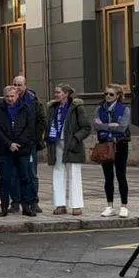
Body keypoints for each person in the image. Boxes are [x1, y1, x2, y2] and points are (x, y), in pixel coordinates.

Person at [0, 85, 37, 217]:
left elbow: (30, 128)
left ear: (17, 96)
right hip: (6, 150)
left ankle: (26, 206)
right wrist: (9, 143)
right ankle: (4, 207)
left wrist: (19, 143)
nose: (10, 99)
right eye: (7, 96)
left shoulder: (26, 109)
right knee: (5, 179)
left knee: (25, 178)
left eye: (12, 96)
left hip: (22, 149)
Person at [46, 83, 90, 215]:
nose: (55, 95)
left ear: (66, 93)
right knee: (58, 173)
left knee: (74, 174)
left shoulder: (76, 107)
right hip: (56, 143)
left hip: (72, 145)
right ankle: (60, 204)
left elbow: (86, 127)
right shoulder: (53, 108)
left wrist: (76, 139)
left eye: (58, 92)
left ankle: (76, 205)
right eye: (55, 92)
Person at [93, 84, 130, 218]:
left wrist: (104, 126)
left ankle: (124, 206)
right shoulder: (99, 108)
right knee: (108, 177)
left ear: (118, 96)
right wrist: (110, 125)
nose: (107, 96)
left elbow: (122, 128)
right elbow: (96, 126)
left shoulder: (124, 109)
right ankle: (110, 206)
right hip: (104, 145)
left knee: (121, 175)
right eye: (106, 94)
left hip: (120, 145)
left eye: (111, 94)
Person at [13, 75, 47, 214]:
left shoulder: (34, 101)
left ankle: (33, 202)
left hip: (30, 144)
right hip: (14, 144)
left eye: (19, 85)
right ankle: (15, 202)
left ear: (25, 85)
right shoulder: (11, 99)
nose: (17, 88)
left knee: (31, 173)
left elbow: (41, 121)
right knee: (14, 174)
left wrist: (35, 139)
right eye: (15, 84)